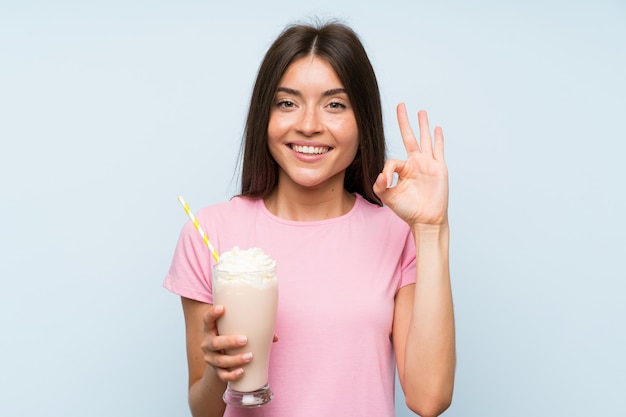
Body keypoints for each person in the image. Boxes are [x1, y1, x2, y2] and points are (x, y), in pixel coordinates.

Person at [164, 20, 455, 417]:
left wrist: (432, 228)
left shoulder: (397, 234)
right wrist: (219, 372)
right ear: (264, 116)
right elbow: (203, 410)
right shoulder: (210, 234)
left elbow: (429, 398)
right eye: (287, 103)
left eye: (335, 104)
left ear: (362, 121)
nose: (309, 125)